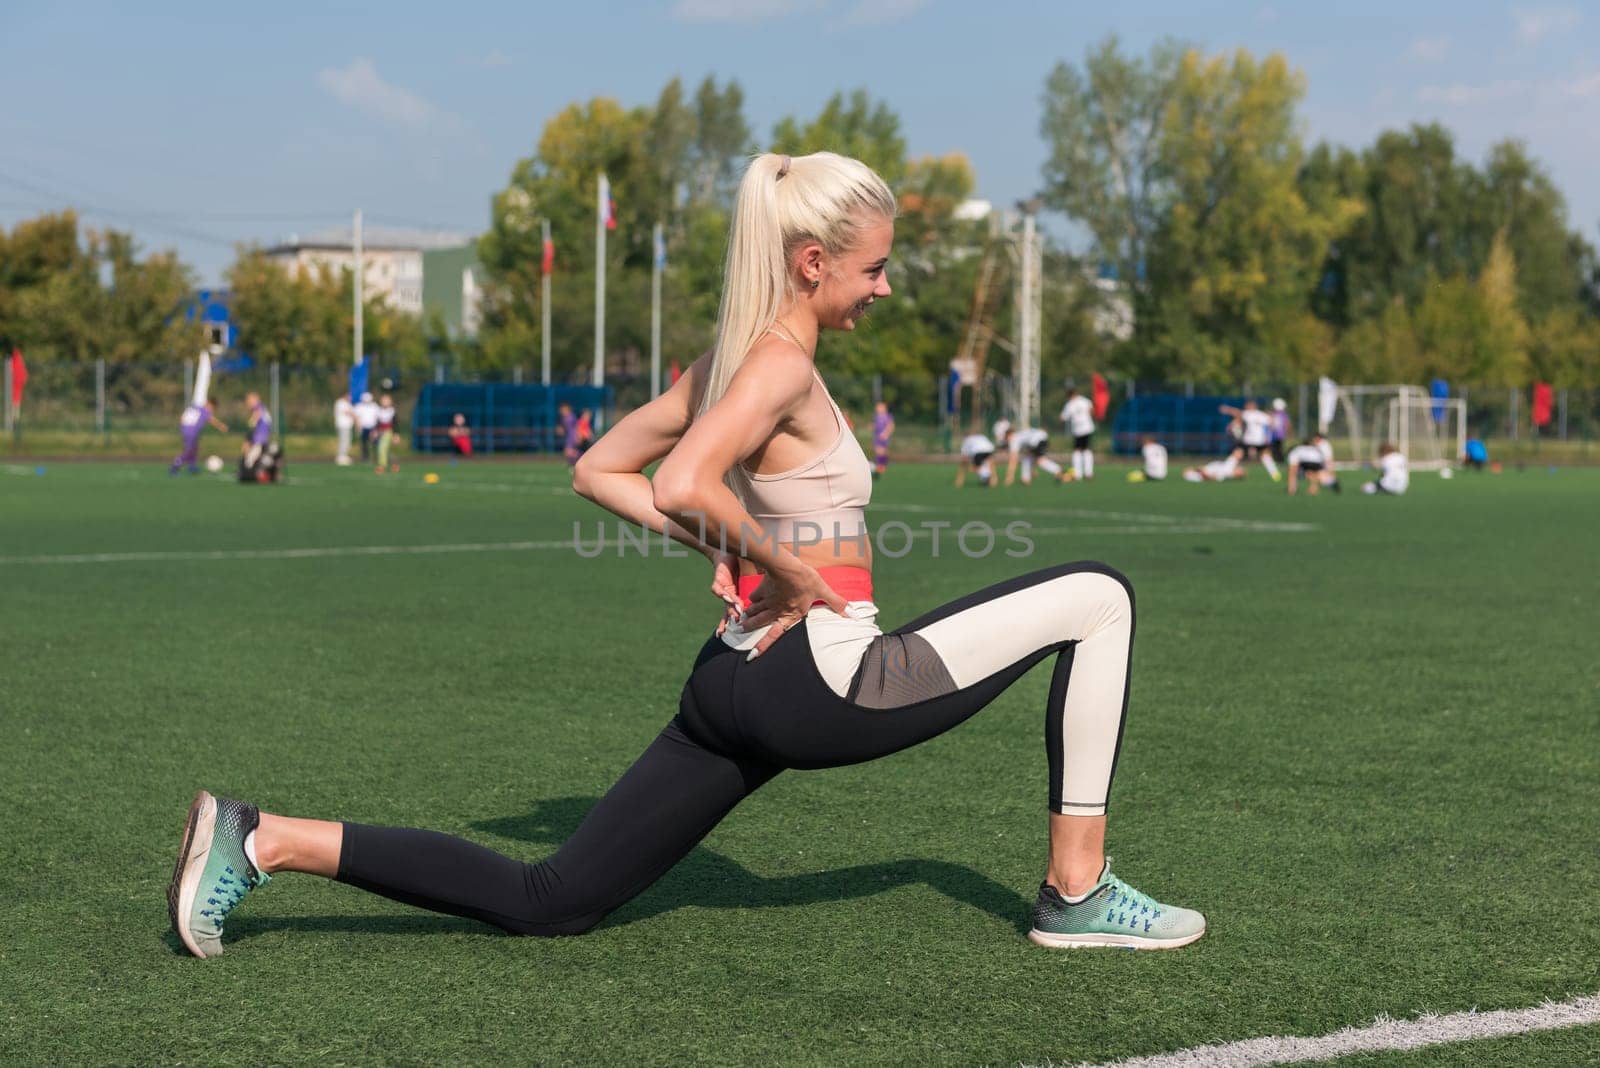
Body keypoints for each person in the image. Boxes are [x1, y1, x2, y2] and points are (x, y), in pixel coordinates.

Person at [167, 150, 1203, 961]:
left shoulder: (727, 360)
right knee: (1100, 597)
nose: (883, 288)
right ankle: (1075, 894)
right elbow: (675, 481)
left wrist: (726, 549)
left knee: (553, 901)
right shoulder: (782, 366)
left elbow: (597, 469)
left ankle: (264, 838)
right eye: (874, 266)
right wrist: (780, 566)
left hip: (731, 685)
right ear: (813, 261)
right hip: (823, 675)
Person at [1217, 400, 1279, 481]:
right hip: (1260, 440)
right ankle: (1275, 474)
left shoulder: (1249, 414)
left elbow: (1238, 413)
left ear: (1251, 406)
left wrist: (1227, 409)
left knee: (1237, 454)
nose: (1246, 408)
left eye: (1247, 406)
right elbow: (1272, 422)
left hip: (1249, 440)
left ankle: (1224, 472)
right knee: (1265, 455)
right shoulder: (1261, 414)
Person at [169, 397, 227, 475]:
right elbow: (211, 419)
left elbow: (182, 417)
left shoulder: (195, 407)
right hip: (191, 432)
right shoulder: (204, 410)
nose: (212, 410)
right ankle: (176, 464)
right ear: (209, 404)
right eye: (212, 408)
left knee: (195, 448)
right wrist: (221, 426)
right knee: (189, 451)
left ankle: (192, 466)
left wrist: (183, 426)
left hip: (186, 430)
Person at [1060, 387, 1095, 481]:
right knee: (1086, 450)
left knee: (1077, 451)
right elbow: (1092, 410)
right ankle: (1088, 473)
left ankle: (1078, 474)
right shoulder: (1085, 400)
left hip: (1078, 430)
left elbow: (1063, 418)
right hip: (1088, 428)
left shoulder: (1069, 404)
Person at [240, 392, 272, 473]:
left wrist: (252, 422)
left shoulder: (258, 407)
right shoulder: (260, 406)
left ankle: (248, 470)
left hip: (260, 436)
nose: (248, 402)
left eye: (249, 399)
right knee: (247, 448)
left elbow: (257, 416)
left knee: (252, 455)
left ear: (255, 399)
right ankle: (246, 468)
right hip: (259, 434)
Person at [373, 394, 399, 475]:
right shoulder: (379, 411)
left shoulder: (392, 411)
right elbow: (377, 423)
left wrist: (396, 435)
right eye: (383, 400)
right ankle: (394, 464)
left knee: (382, 448)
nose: (385, 402)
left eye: (387, 400)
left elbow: (396, 424)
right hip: (380, 432)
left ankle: (382, 466)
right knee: (385, 450)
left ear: (390, 402)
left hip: (388, 432)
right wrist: (375, 431)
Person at [870, 401, 894, 478]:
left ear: (884, 408)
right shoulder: (876, 417)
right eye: (877, 407)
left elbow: (891, 426)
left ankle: (881, 467)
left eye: (880, 407)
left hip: (884, 437)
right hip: (877, 436)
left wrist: (886, 433)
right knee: (878, 451)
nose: (878, 409)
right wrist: (871, 427)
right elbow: (875, 426)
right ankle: (881, 466)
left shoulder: (887, 416)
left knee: (882, 451)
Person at [355, 392, 379, 462]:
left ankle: (376, 457)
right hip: (363, 427)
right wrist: (358, 427)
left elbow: (377, 417)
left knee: (375, 443)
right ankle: (365, 457)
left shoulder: (374, 406)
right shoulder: (359, 406)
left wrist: (376, 429)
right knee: (364, 443)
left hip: (372, 427)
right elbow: (357, 417)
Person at [1268, 398, 1292, 465]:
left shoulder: (1273, 414)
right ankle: (1279, 460)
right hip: (1280, 434)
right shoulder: (1283, 414)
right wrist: (1287, 432)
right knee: (1278, 448)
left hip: (1275, 434)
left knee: (1276, 448)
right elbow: (1287, 424)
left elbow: (1271, 424)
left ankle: (1279, 460)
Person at [334, 394, 356, 466]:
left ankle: (344, 456)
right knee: (344, 441)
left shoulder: (347, 403)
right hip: (343, 425)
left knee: (347, 441)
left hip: (347, 426)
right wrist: (356, 418)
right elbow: (348, 412)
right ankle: (341, 457)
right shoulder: (340, 403)